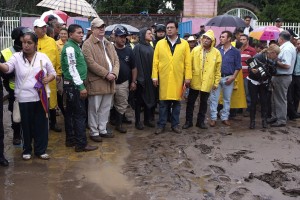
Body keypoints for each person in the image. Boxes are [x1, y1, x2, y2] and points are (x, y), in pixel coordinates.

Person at [0, 31, 56, 160]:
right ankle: (27, 150)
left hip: (40, 97)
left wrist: (48, 78)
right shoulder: (16, 57)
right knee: (25, 125)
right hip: (24, 98)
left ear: (36, 44)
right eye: (24, 42)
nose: (26, 45)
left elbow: (52, 73)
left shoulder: (43, 57)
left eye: (29, 43)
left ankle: (41, 150)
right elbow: (8, 68)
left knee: (41, 125)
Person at [61, 24, 98, 152]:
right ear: (70, 34)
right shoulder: (70, 48)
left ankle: (71, 139)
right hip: (74, 86)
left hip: (73, 85)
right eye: (78, 33)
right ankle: (81, 144)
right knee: (80, 115)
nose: (81, 35)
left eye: (82, 32)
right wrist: (81, 86)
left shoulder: (75, 46)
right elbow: (72, 69)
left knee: (71, 114)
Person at [82, 18, 119, 141]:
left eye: (103, 26)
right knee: (94, 108)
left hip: (110, 81)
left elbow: (116, 61)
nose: (102, 28)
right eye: (98, 27)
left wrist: (114, 73)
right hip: (96, 82)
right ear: (92, 29)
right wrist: (106, 74)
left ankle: (102, 129)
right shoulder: (87, 44)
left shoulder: (108, 43)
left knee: (105, 107)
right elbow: (90, 63)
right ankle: (94, 131)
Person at [152, 20, 192, 134]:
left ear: (177, 29)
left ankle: (175, 125)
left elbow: (187, 62)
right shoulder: (160, 44)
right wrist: (154, 76)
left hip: (177, 78)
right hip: (164, 78)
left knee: (177, 103)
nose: (169, 29)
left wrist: (188, 77)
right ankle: (161, 125)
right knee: (163, 103)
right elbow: (155, 61)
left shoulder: (184, 44)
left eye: (171, 27)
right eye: (167, 28)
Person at [182, 30, 221, 129]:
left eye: (209, 39)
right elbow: (189, 65)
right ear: (201, 39)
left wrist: (216, 82)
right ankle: (188, 121)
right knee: (190, 102)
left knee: (204, 103)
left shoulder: (216, 53)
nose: (206, 40)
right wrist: (188, 78)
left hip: (208, 81)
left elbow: (218, 69)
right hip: (195, 80)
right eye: (205, 38)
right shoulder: (195, 50)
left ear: (212, 41)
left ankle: (200, 122)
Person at [0, 27, 30, 146]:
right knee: (16, 113)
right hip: (13, 89)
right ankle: (17, 135)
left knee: (29, 113)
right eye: (24, 36)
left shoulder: (30, 50)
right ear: (18, 38)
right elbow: (4, 73)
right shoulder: (6, 52)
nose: (27, 39)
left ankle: (28, 134)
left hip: (29, 88)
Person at [33, 18, 62, 132]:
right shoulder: (32, 40)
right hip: (35, 78)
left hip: (51, 76)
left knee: (52, 100)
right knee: (38, 99)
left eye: (45, 27)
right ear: (35, 29)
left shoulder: (51, 41)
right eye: (41, 27)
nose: (44, 29)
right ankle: (40, 123)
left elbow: (57, 57)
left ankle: (53, 122)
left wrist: (58, 73)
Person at [209, 31, 242, 127]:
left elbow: (238, 66)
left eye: (223, 37)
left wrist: (233, 77)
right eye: (220, 36)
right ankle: (213, 118)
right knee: (214, 99)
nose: (221, 38)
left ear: (229, 39)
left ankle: (225, 117)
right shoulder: (217, 50)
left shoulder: (235, 52)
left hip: (229, 77)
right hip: (217, 77)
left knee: (227, 99)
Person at [246, 44, 280, 129]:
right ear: (272, 52)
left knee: (264, 101)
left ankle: (264, 121)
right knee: (253, 101)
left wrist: (272, 68)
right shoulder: (258, 56)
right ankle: (252, 122)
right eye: (277, 54)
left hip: (264, 82)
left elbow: (274, 72)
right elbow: (249, 67)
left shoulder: (273, 60)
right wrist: (253, 70)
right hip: (253, 81)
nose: (277, 56)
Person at [111, 25, 137, 133]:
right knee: (109, 104)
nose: (123, 39)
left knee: (122, 104)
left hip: (123, 83)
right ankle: (110, 121)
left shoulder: (129, 51)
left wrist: (133, 81)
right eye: (121, 36)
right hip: (110, 82)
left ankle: (119, 124)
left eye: (124, 37)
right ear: (115, 37)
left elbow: (134, 68)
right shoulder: (110, 49)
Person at [268, 31, 296, 127]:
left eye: (278, 38)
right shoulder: (286, 47)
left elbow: (287, 65)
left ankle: (281, 119)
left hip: (283, 76)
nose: (277, 40)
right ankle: (275, 116)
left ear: (281, 39)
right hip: (280, 76)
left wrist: (275, 61)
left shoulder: (287, 49)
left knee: (280, 99)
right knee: (275, 98)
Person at [133, 27, 156, 130]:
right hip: (141, 79)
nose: (151, 35)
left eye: (151, 33)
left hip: (150, 79)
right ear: (143, 35)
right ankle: (138, 121)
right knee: (139, 101)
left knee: (149, 99)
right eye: (149, 33)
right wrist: (139, 78)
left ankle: (147, 120)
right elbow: (136, 63)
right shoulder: (138, 47)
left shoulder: (150, 47)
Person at [240, 34, 257, 116]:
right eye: (241, 39)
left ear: (247, 40)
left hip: (247, 75)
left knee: (248, 93)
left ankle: (249, 108)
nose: (242, 41)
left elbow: (254, 63)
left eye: (244, 39)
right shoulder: (238, 50)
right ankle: (239, 108)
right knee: (240, 92)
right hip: (239, 75)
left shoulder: (252, 50)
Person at [56, 27, 68, 117]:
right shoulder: (56, 44)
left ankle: (66, 106)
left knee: (67, 90)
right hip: (60, 71)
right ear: (59, 34)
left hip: (68, 71)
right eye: (62, 33)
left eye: (65, 33)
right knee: (60, 90)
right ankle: (59, 107)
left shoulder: (70, 44)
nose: (63, 35)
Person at [287, 38, 300, 120]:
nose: (298, 45)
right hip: (292, 75)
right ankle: (290, 112)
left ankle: (294, 112)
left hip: (299, 76)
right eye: (298, 43)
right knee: (290, 95)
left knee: (297, 95)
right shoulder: (293, 51)